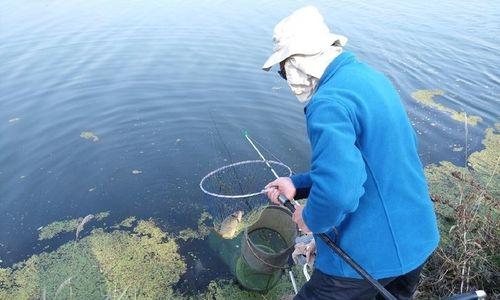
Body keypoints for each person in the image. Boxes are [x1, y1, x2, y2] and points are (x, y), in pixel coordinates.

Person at [262, 6, 440, 300]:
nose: (286, 78)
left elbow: (339, 192)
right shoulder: (370, 79)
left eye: (283, 71)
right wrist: (299, 184)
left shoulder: (328, 102)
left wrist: (311, 218)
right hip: (416, 240)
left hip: (365, 259)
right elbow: (379, 159)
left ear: (297, 62)